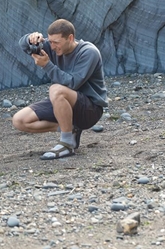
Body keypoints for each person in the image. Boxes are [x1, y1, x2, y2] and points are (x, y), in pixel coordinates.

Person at [12, 19, 107, 159]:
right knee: (19, 120)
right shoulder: (53, 48)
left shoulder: (88, 52)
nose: (52, 46)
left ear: (70, 38)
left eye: (56, 42)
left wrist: (47, 65)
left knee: (56, 89)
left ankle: (67, 144)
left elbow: (73, 83)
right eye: (50, 41)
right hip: (62, 102)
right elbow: (24, 45)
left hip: (89, 109)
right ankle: (70, 129)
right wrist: (30, 39)